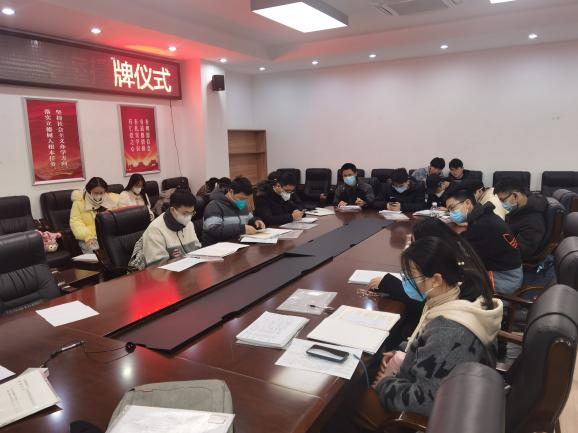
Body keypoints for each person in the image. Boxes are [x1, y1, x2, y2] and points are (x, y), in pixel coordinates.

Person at [356, 236, 502, 425]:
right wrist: (403, 349)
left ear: (436, 280)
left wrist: (385, 384)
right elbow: (426, 341)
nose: (407, 282)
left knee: (352, 402)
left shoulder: (450, 332)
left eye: (411, 277)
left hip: (435, 415)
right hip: (452, 390)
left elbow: (425, 401)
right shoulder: (457, 296)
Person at [445, 189, 523, 295]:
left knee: (455, 285)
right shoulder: (484, 217)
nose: (451, 214)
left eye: (452, 208)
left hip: (504, 279)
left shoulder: (483, 225)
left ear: (467, 203)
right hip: (508, 272)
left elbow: (465, 252)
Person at [132, 190, 201, 268]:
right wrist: (183, 260)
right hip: (165, 273)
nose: (189, 217)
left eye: (191, 213)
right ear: (173, 210)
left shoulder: (189, 224)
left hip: (187, 269)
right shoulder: (155, 229)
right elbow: (157, 266)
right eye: (185, 213)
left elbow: (197, 249)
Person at [494, 178, 548, 261]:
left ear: (515, 196)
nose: (501, 204)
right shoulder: (518, 210)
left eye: (502, 200)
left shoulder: (533, 222)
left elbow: (519, 252)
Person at [202, 176, 265, 245]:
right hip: (217, 247)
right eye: (241, 198)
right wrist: (241, 229)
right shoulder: (214, 206)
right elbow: (213, 229)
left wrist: (256, 221)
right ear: (231, 191)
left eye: (245, 199)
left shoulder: (241, 204)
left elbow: (250, 218)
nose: (243, 202)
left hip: (238, 244)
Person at [70, 177, 119, 253]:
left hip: (110, 236)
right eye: (96, 193)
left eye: (101, 193)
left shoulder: (111, 199)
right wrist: (87, 237)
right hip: (90, 238)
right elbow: (76, 223)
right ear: (89, 191)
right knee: (96, 252)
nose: (99, 195)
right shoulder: (79, 202)